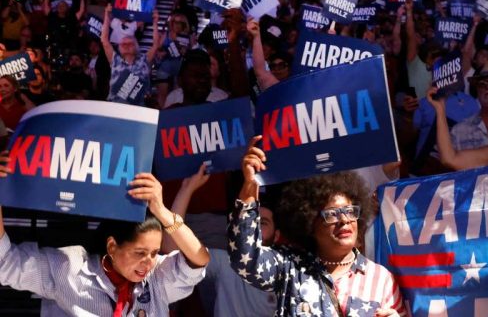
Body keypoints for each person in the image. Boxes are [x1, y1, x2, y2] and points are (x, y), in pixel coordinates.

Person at [0, 155, 210, 315]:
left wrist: (162, 211)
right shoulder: (68, 269)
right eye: (140, 253)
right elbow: (5, 263)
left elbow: (199, 259)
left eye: (155, 253)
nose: (148, 262)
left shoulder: (156, 279)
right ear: (111, 246)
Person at [229, 137, 407, 317]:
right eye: (331, 214)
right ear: (310, 223)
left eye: (350, 211)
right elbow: (245, 260)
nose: (344, 220)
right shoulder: (290, 267)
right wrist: (250, 187)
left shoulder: (381, 279)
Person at [165, 163, 279, 317]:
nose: (255, 228)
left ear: (277, 236)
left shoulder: (289, 271)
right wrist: (186, 189)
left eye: (263, 223)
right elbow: (171, 253)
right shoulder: (225, 264)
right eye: (250, 221)